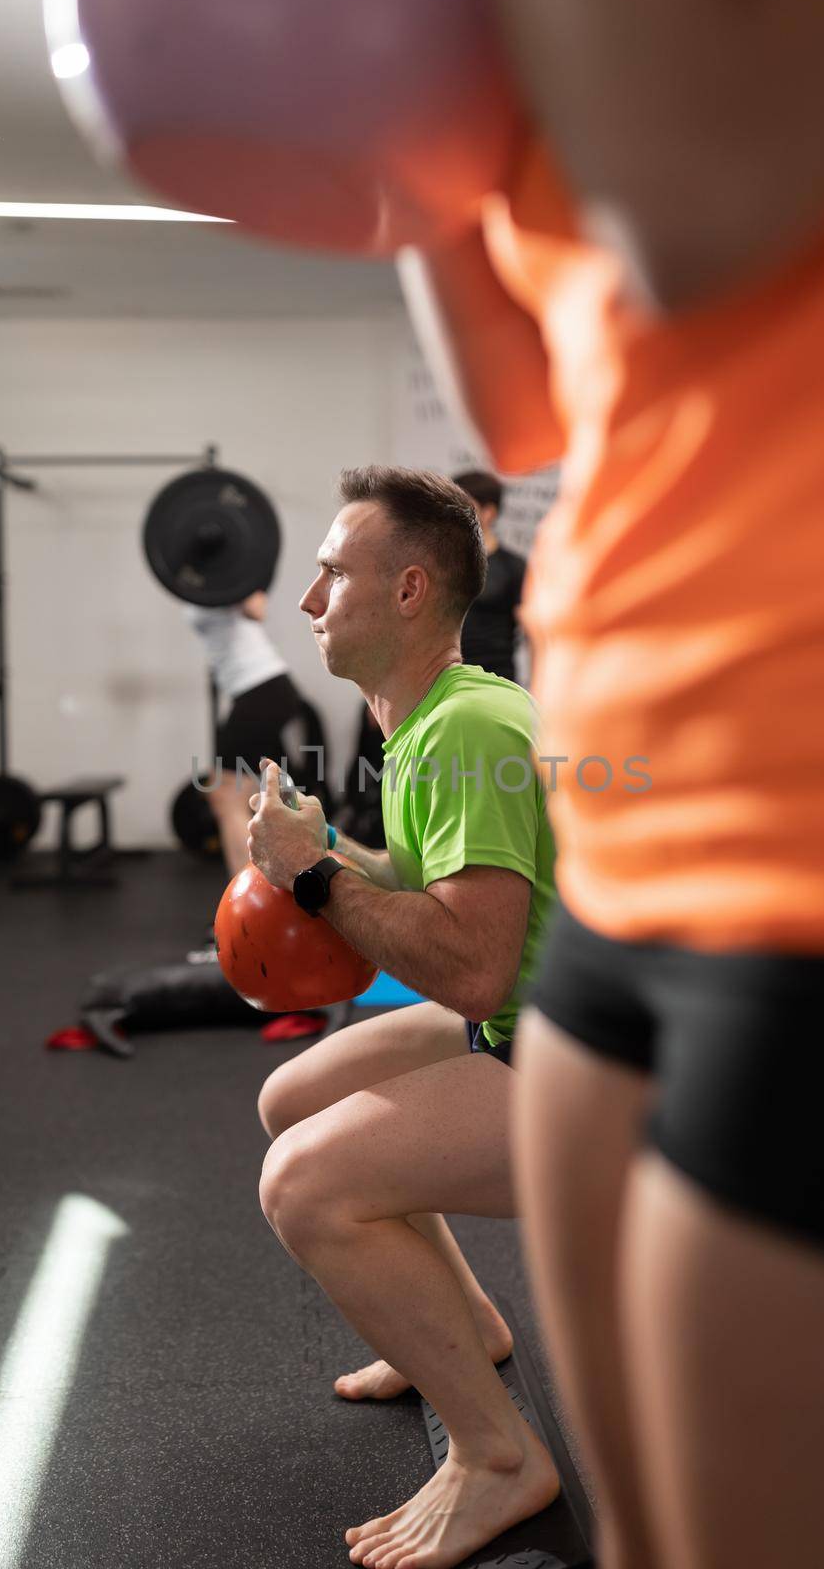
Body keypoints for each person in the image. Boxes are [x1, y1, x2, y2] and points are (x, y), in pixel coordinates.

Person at [399, 0, 824, 1569]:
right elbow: (521, 404)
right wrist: (397, 142)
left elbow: (697, 200)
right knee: (645, 1535)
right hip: (642, 833)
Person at [247, 465, 560, 1568]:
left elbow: (468, 968)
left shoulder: (468, 732)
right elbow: (431, 897)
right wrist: (324, 853)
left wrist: (318, 882)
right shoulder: (427, 720)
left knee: (304, 1183)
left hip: (590, 1067)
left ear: (411, 590)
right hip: (527, 1019)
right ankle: (462, 1326)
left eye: (331, 573)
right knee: (295, 1095)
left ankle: (499, 1458)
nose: (308, 599)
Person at [184, 590, 328, 876]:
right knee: (267, 792)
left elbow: (256, 607)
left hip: (262, 689)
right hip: (254, 693)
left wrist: (231, 587)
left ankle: (243, 904)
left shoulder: (231, 571)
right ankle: (288, 882)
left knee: (226, 795)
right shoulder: (195, 574)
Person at [451, 470, 528, 683]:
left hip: (497, 679)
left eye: (464, 506)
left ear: (489, 512)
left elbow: (533, 634)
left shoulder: (513, 567)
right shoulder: (442, 564)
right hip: (446, 679)